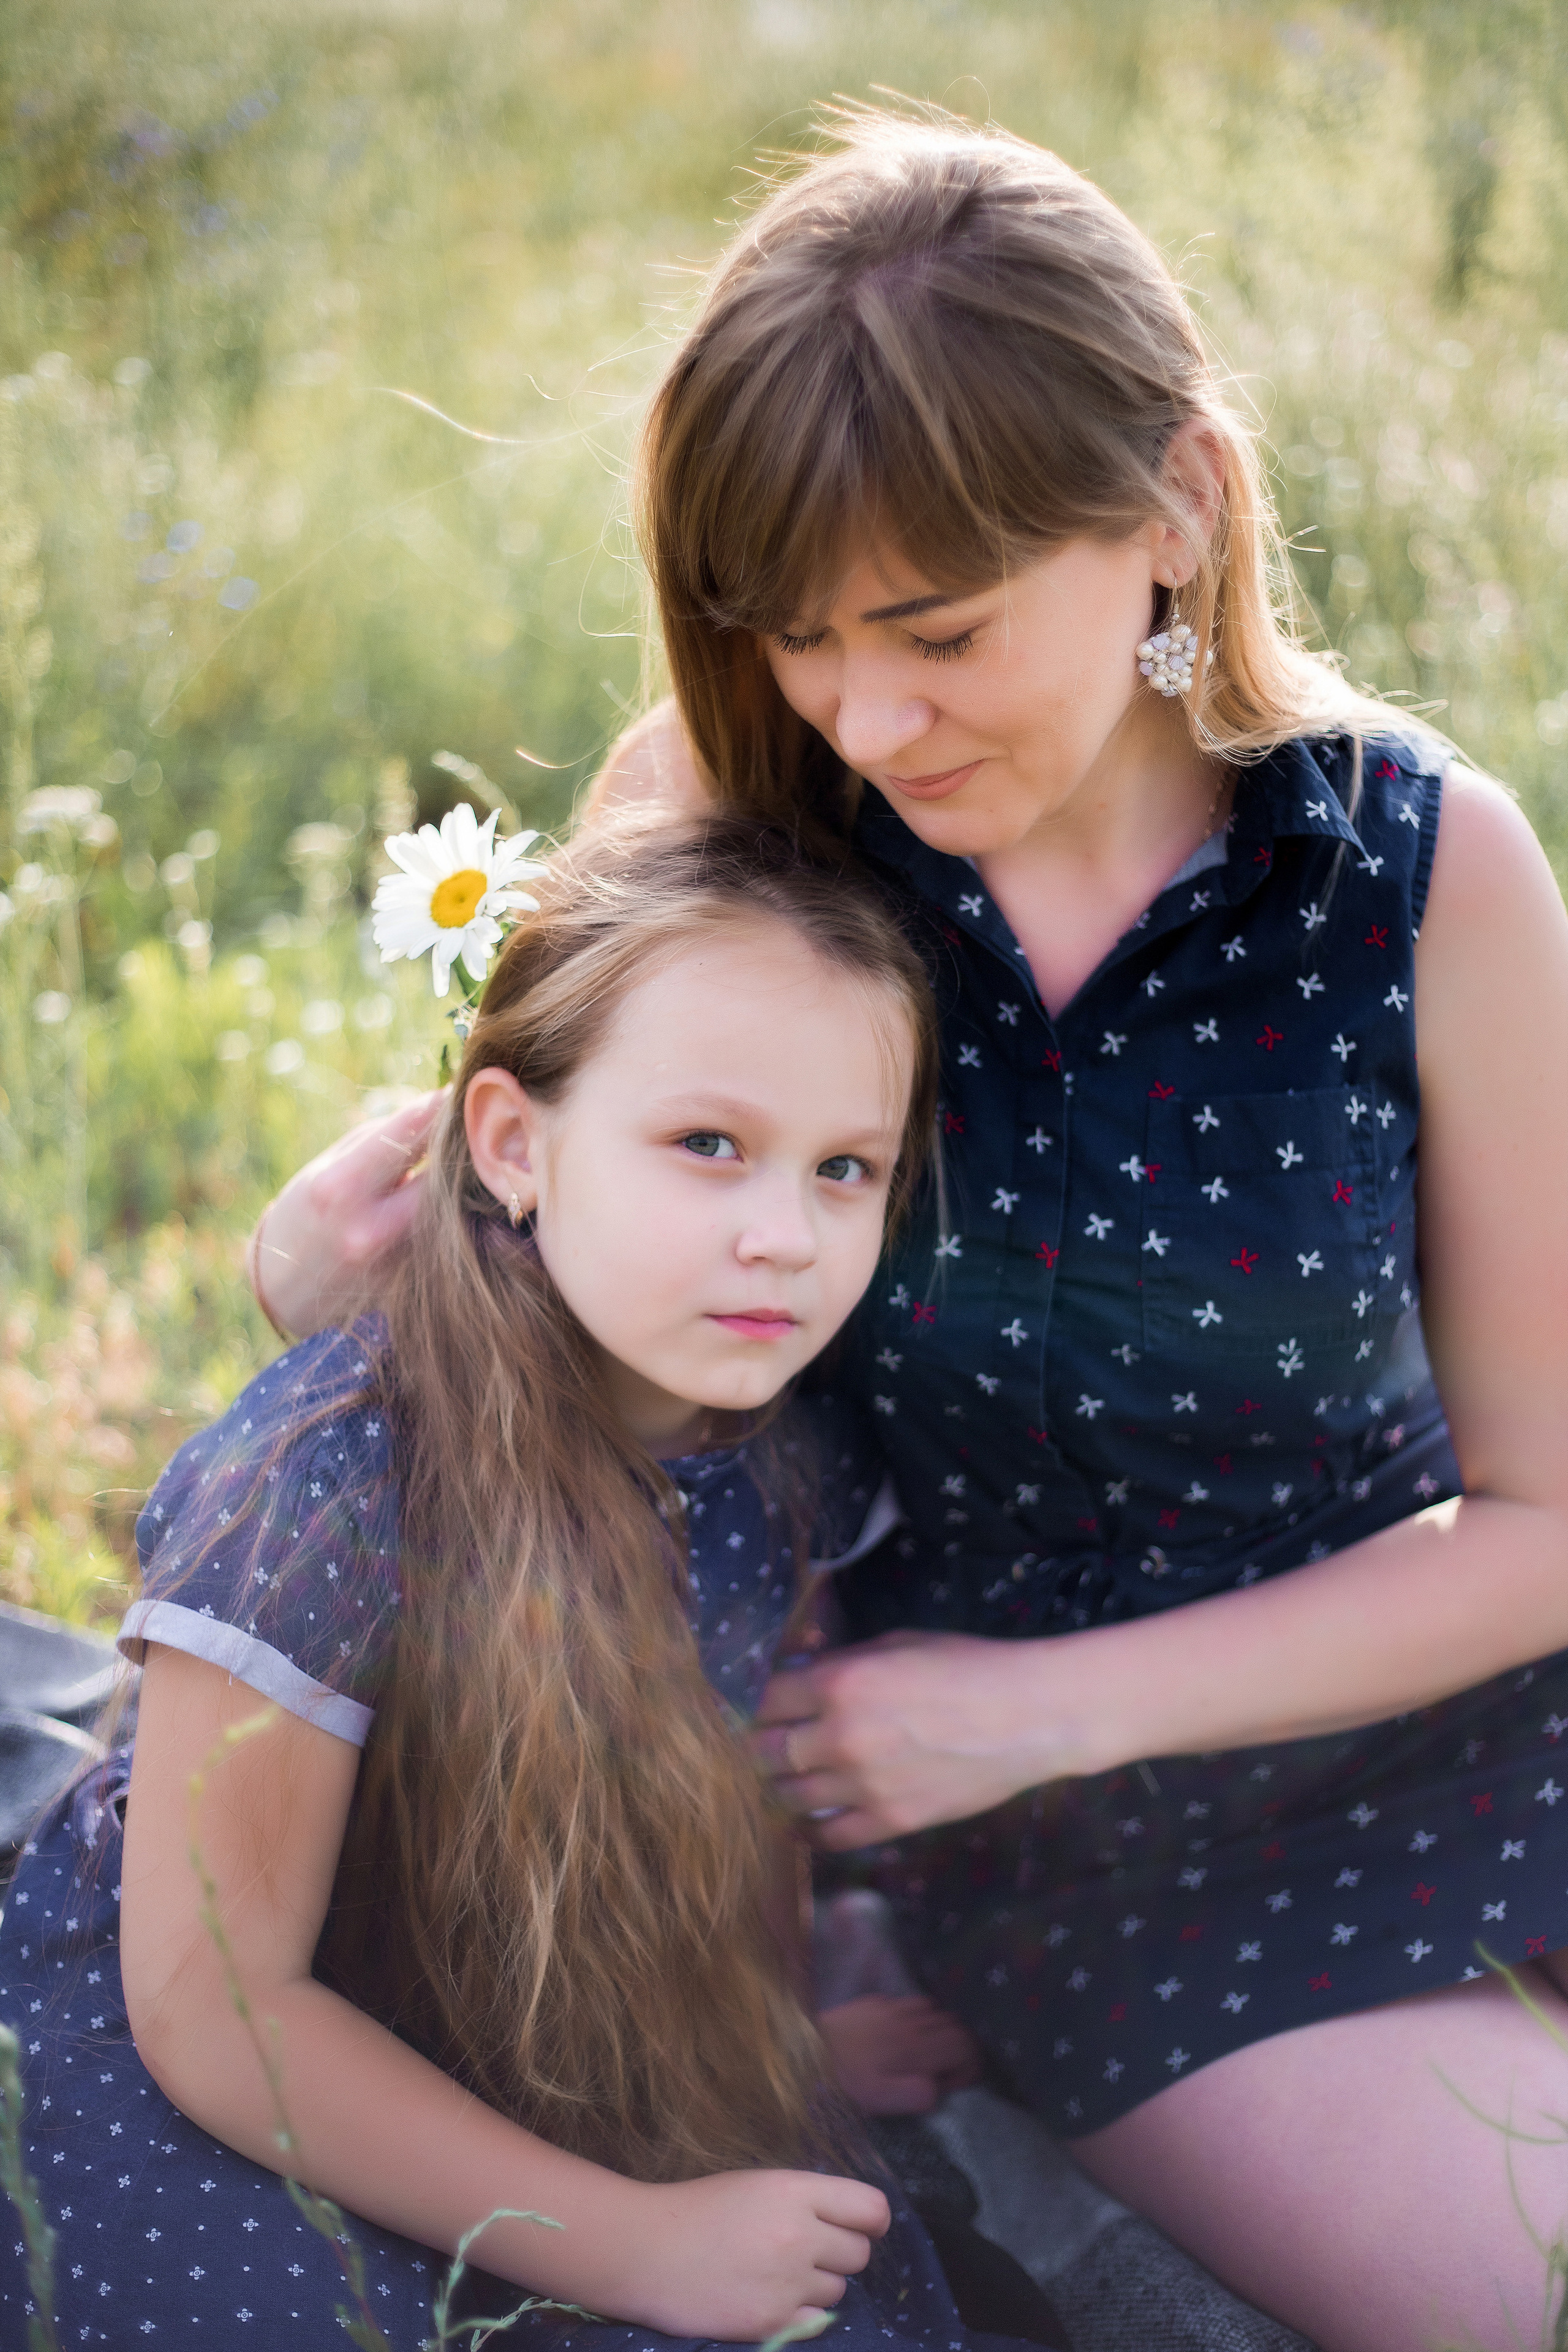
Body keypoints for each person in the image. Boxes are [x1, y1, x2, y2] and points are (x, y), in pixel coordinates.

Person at [242, 110, 1568, 2351]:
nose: (864, 712)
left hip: (1409, 1691)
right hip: (1085, 1863)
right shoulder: (732, 812)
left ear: (1178, 511)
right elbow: (562, 1320)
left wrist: (1055, 1703)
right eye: (798, 633)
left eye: (938, 631)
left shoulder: (1433, 873)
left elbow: (1544, 1519)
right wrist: (334, 1301)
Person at [0, 818, 1058, 2350]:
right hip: (243, 2065)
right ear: (512, 1144)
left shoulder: (763, 1453)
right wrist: (630, 2243)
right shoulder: (332, 1482)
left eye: (846, 1170)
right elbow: (213, 2010)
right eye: (709, 1145)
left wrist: (781, 2044)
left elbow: (715, 1804)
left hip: (529, 2024)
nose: (783, 1236)